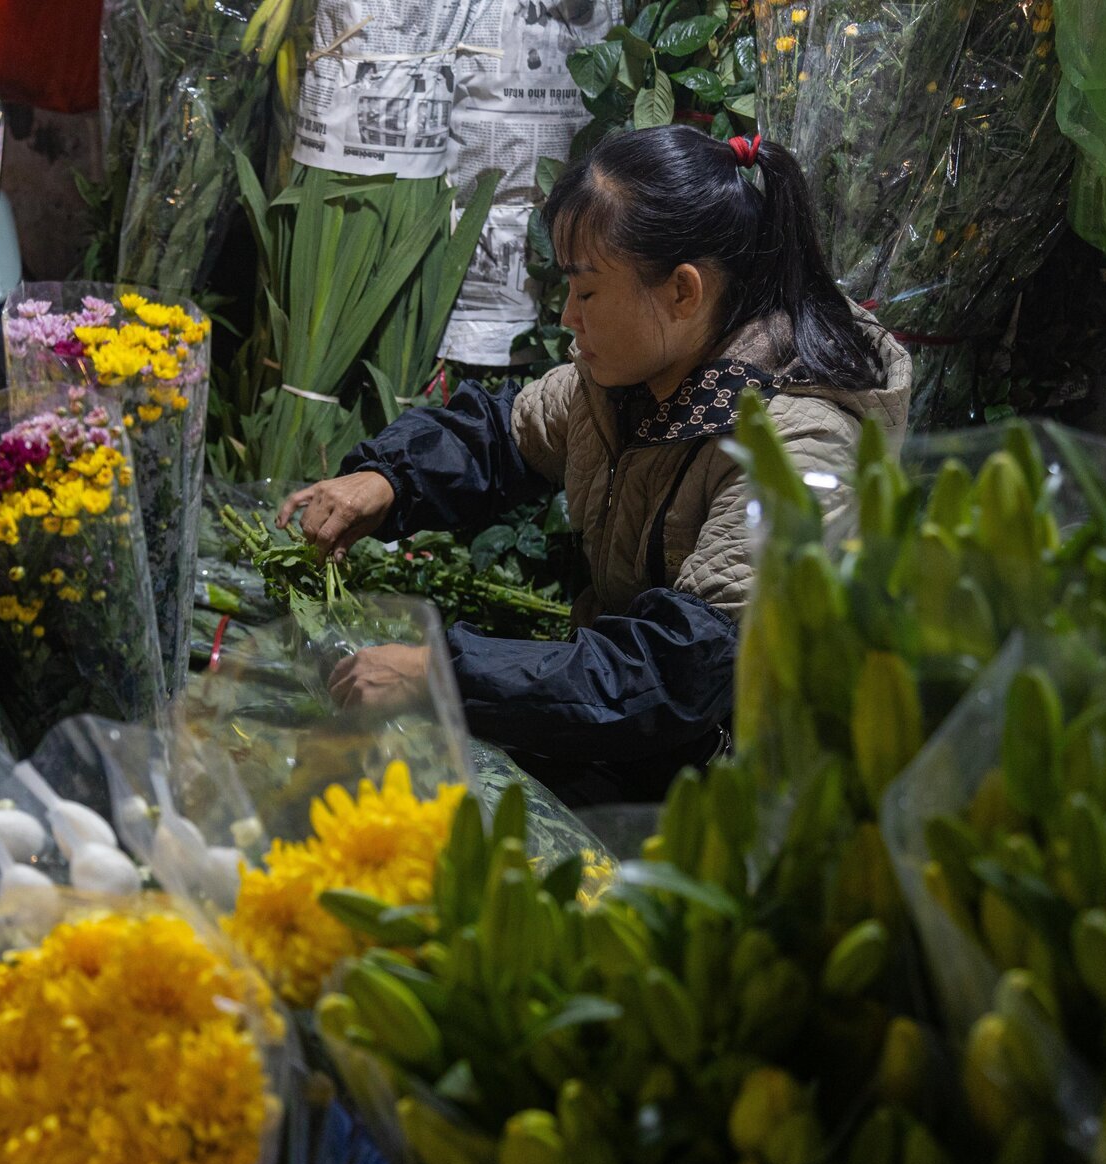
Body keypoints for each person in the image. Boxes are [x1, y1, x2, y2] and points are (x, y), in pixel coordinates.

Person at [279, 126, 912, 804]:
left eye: (586, 292)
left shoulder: (795, 455)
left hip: (740, 802)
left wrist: (442, 673)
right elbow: (505, 431)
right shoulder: (632, 379)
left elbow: (676, 671)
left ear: (682, 293)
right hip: (645, 757)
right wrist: (385, 479)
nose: (567, 316)